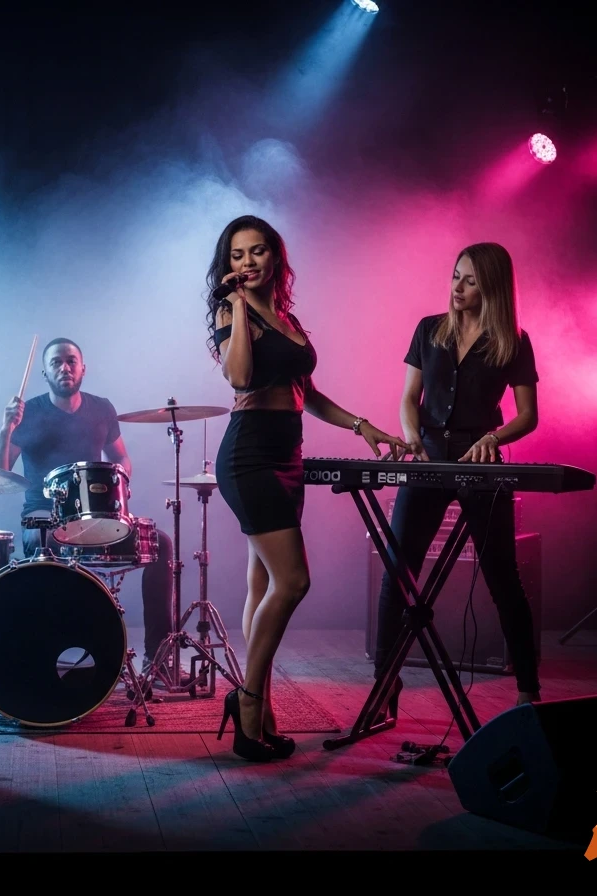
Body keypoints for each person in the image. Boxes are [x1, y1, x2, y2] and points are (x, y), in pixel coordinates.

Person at [206, 215, 408, 762]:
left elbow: (307, 393)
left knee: (260, 587)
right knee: (292, 582)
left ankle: (261, 708)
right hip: (249, 455)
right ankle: (249, 702)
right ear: (228, 266)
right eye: (237, 255)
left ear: (276, 257)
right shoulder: (232, 311)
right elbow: (242, 378)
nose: (247, 263)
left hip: (288, 457)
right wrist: (243, 307)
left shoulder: (289, 317)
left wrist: (363, 425)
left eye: (257, 252)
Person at [372, 242, 541, 714]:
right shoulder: (429, 330)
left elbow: (528, 416)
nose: (458, 287)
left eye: (470, 280)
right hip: (427, 460)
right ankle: (385, 681)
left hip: (481, 465)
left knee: (503, 578)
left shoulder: (513, 340)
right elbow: (410, 398)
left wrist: (495, 436)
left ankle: (528, 688)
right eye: (455, 276)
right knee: (398, 572)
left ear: (492, 288)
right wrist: (412, 439)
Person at [0, 338, 173, 672]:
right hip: (43, 517)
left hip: (95, 517)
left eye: (71, 361)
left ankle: (157, 658)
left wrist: (117, 488)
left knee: (162, 543)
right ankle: (40, 653)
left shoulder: (102, 408)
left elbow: (122, 459)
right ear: (45, 372)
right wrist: (5, 429)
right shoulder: (28, 413)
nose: (65, 367)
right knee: (43, 541)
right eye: (56, 362)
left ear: (83, 367)